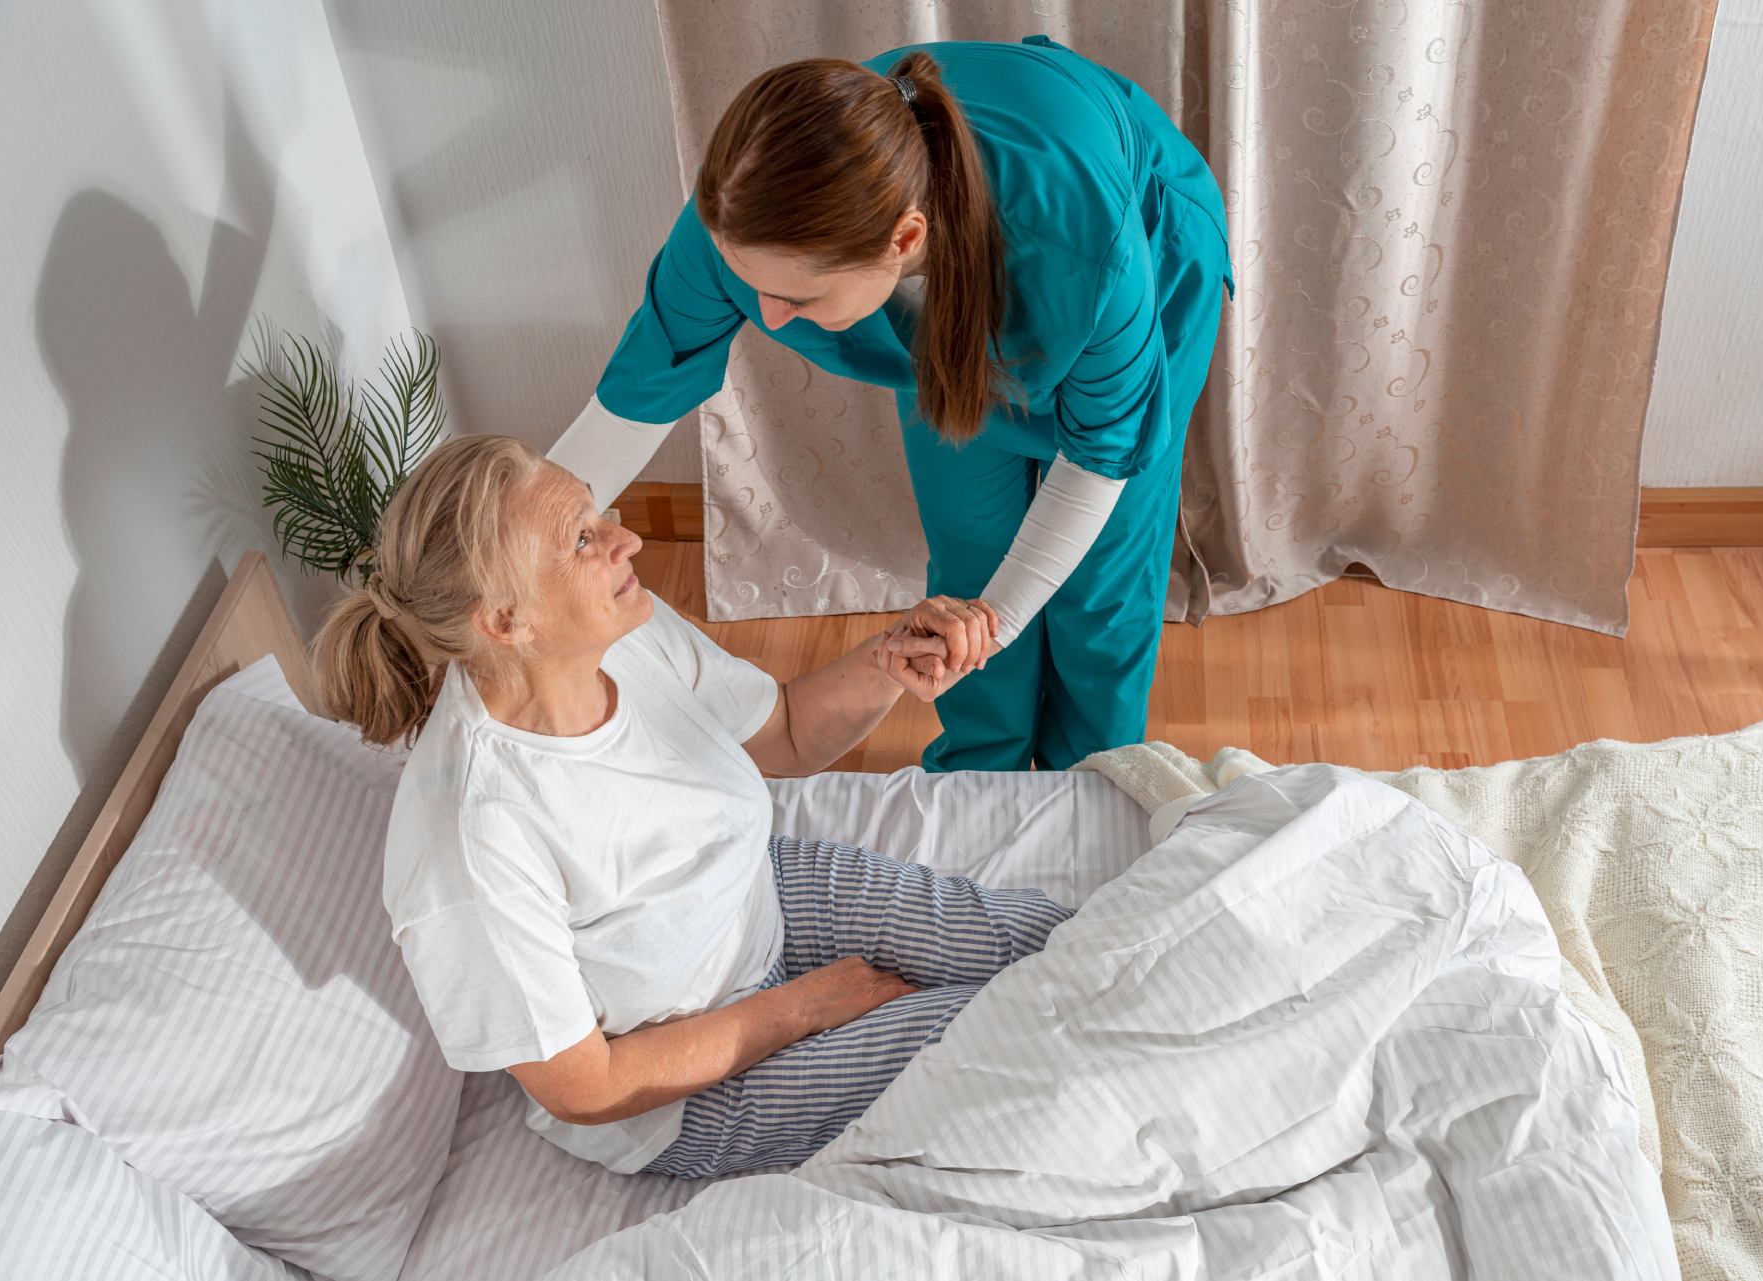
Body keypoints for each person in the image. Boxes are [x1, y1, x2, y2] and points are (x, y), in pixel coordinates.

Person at [311, 435, 1074, 1177]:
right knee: (1010, 1036)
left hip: (761, 891)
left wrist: (890, 658)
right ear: (506, 621)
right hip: (687, 1087)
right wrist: (804, 1006)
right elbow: (587, 1085)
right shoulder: (471, 836)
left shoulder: (619, 631)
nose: (627, 540)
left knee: (1051, 943)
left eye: (595, 514)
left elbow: (786, 732)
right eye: (583, 540)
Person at [547, 35, 1234, 772]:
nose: (765, 316)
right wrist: (505, 555)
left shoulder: (1085, 244)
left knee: (1101, 582)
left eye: (796, 296)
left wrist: (992, 627)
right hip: (972, 304)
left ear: (903, 239)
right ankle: (981, 770)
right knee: (971, 542)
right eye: (754, 285)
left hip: (1143, 264)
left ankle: (1089, 783)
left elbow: (1099, 460)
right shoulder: (742, 215)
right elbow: (638, 393)